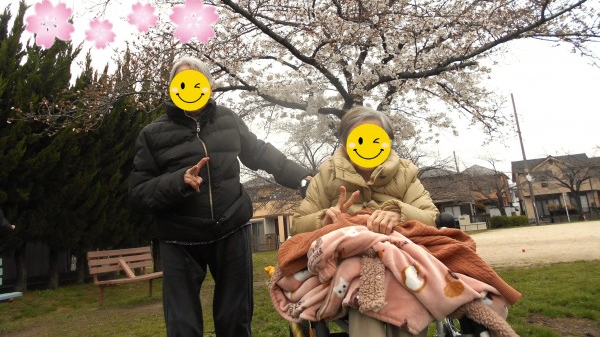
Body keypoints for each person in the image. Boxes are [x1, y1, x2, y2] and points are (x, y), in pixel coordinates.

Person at [129, 56, 311, 337]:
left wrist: (300, 177)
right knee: (182, 327)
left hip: (230, 229)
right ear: (172, 88)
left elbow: (259, 152)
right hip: (179, 239)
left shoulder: (228, 119)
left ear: (209, 86)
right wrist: (178, 181)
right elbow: (138, 192)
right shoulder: (152, 134)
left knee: (234, 321)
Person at [291, 106, 439, 337]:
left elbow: (430, 216)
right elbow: (298, 224)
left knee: (407, 297)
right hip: (349, 265)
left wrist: (399, 213)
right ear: (344, 143)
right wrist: (325, 219)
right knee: (361, 296)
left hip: (400, 260)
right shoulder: (327, 175)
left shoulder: (405, 172)